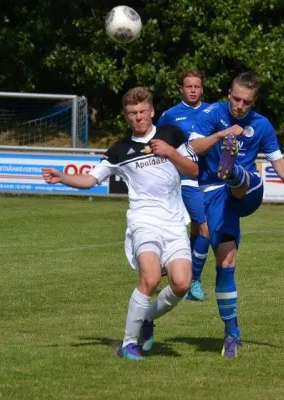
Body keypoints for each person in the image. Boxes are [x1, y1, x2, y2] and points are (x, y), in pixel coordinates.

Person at [42, 87, 198, 361]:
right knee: (150, 279)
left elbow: (194, 170)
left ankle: (146, 319)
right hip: (143, 222)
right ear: (127, 117)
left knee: (182, 284)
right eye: (132, 114)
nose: (138, 118)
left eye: (142, 112)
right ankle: (128, 344)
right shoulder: (119, 151)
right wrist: (63, 177)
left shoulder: (172, 135)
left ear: (152, 111)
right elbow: (90, 180)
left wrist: (171, 153)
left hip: (174, 223)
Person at [189, 72, 284, 358]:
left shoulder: (261, 125)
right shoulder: (211, 114)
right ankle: (232, 333)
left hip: (247, 193)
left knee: (246, 178)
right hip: (213, 194)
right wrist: (221, 135)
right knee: (226, 261)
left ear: (254, 101)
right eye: (235, 99)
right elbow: (193, 148)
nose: (239, 106)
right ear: (227, 93)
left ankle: (232, 169)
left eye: (246, 102)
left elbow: (278, 162)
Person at [156, 68, 211, 301]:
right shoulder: (170, 115)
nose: (193, 90)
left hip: (210, 180)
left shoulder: (212, 112)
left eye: (197, 86)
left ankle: (178, 267)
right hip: (185, 180)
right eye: (189, 86)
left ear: (202, 88)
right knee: (206, 231)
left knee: (197, 230)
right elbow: (157, 144)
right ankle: (194, 280)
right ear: (181, 88)